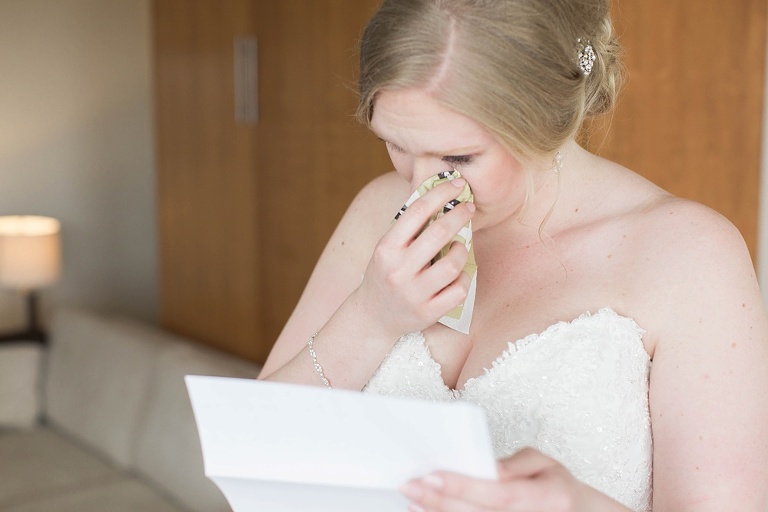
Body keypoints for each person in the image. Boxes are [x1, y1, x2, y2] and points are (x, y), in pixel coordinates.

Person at [257, 0, 768, 510]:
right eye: (396, 145)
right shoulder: (376, 210)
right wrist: (368, 317)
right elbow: (252, 448)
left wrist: (580, 508)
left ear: (545, 116)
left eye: (459, 157)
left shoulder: (690, 257)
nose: (420, 185)